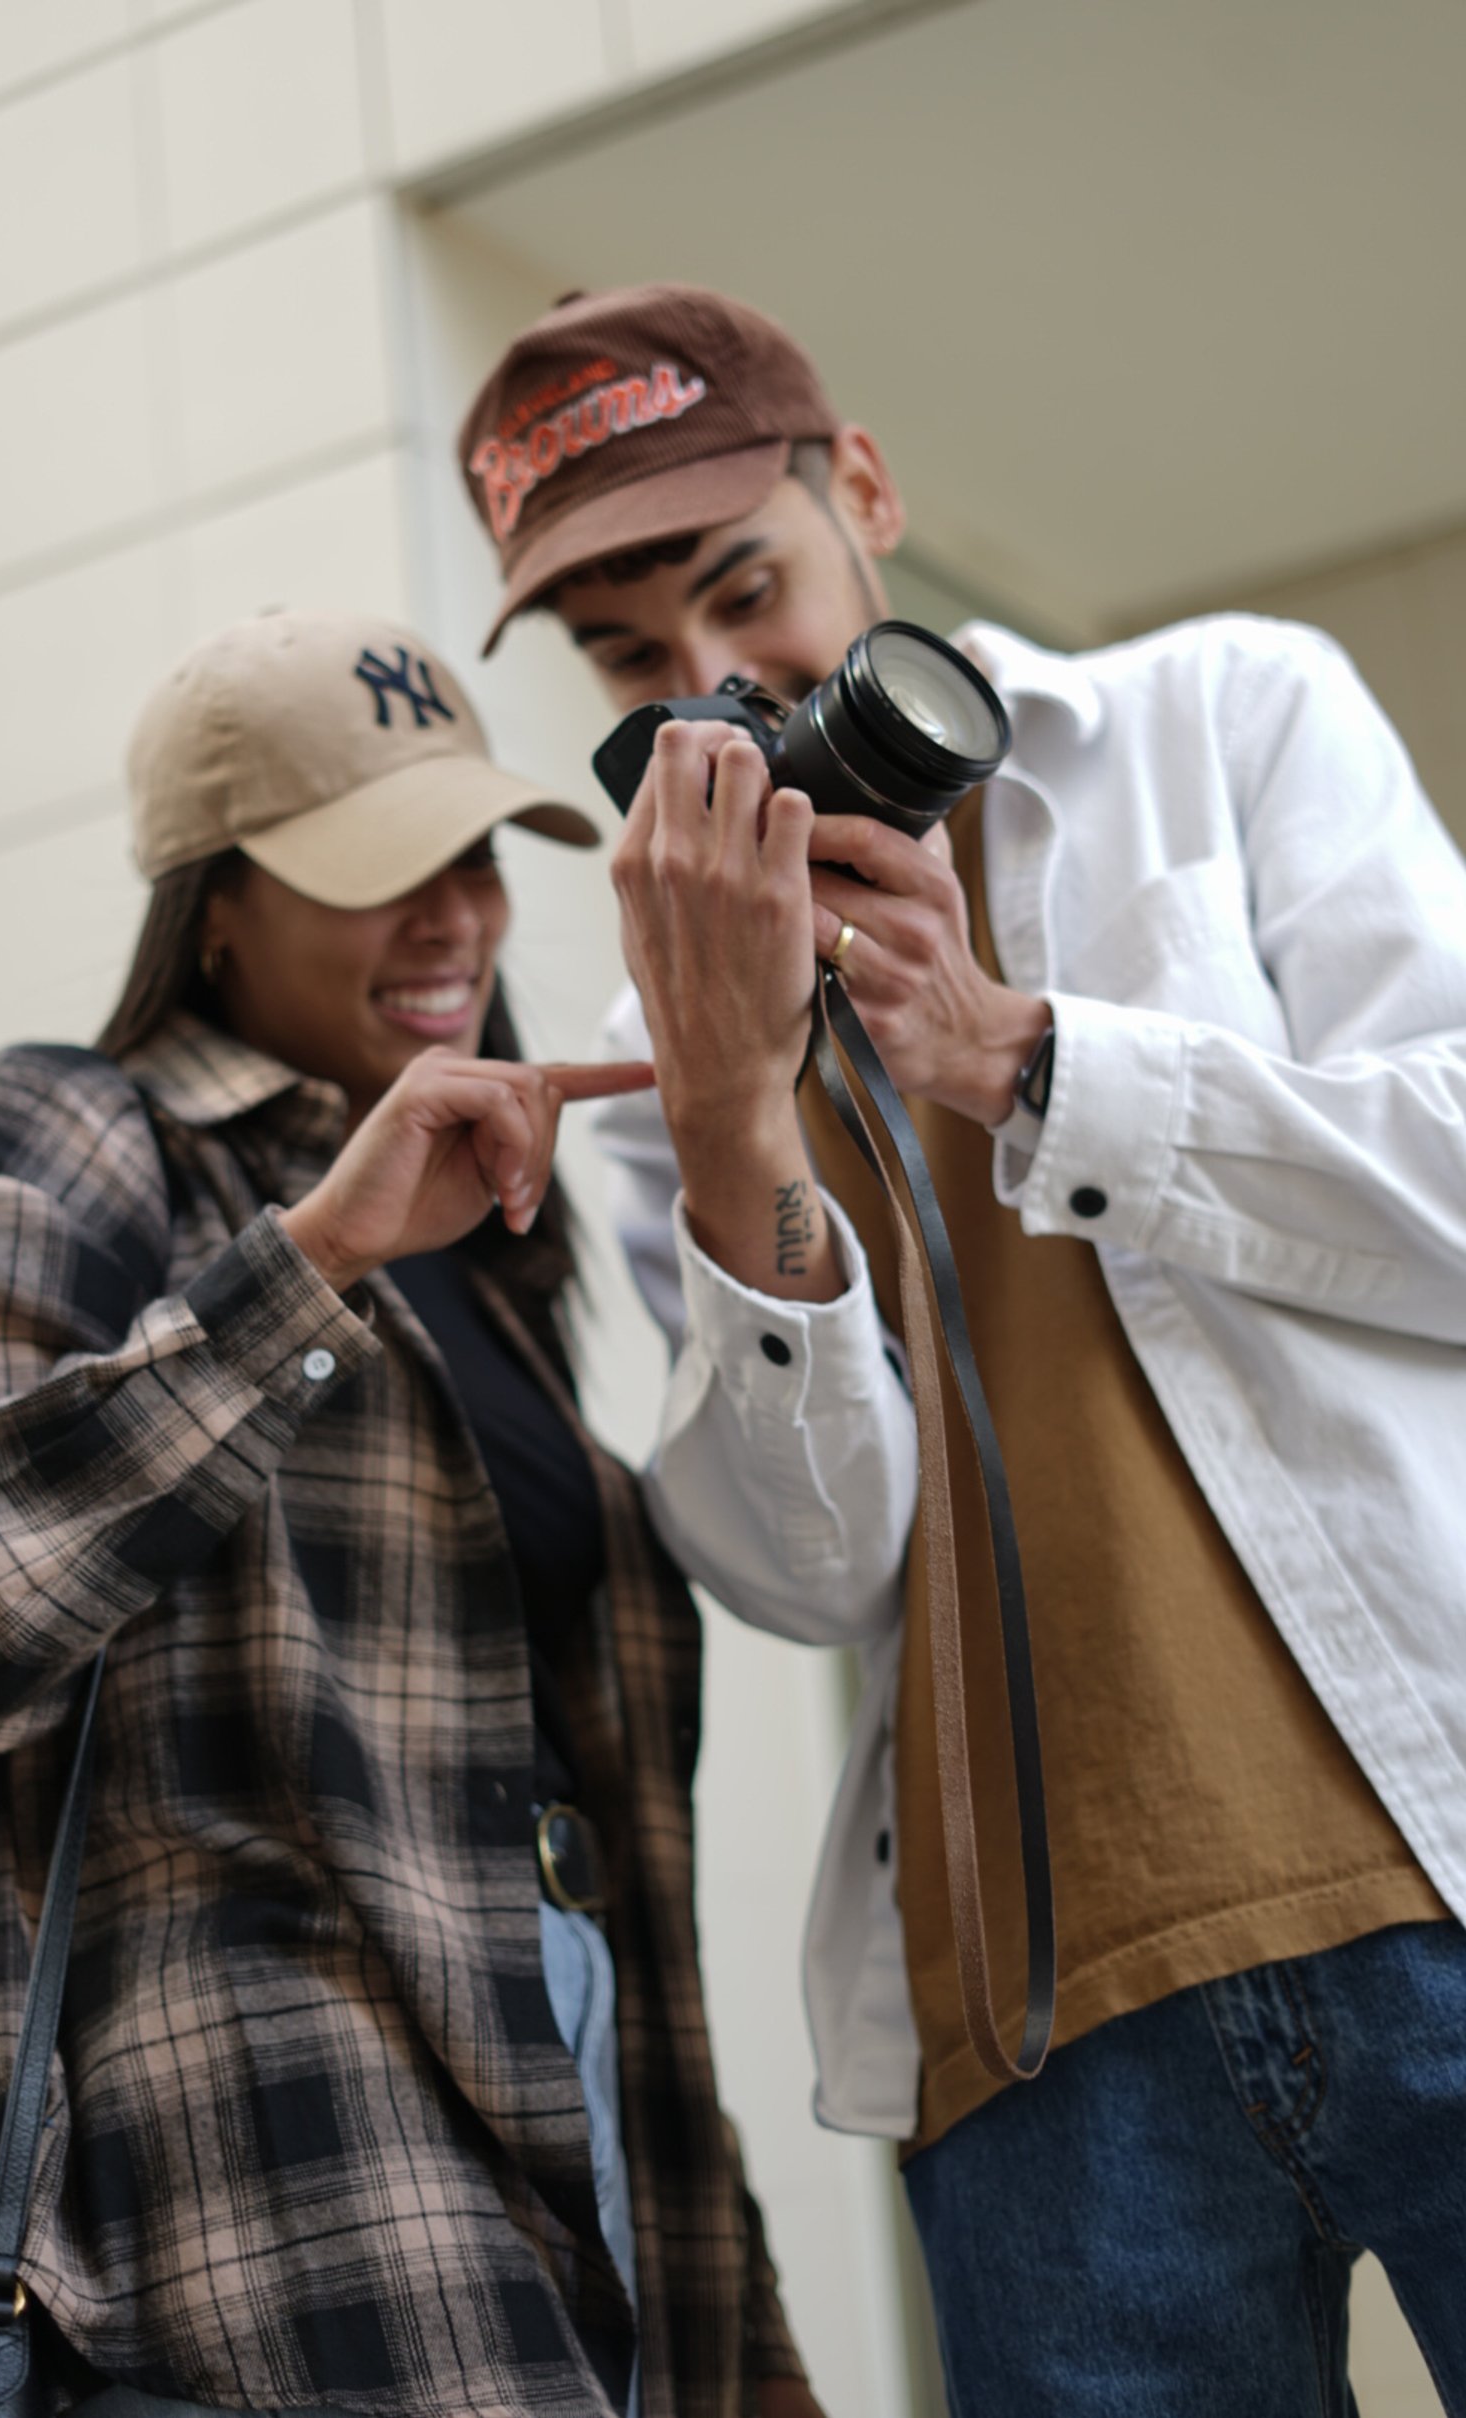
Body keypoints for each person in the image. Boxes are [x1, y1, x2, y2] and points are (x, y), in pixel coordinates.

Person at [458, 285, 1466, 2413]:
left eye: (746, 590)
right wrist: (734, 1124)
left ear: (874, 500)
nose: (715, 690)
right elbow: (811, 1572)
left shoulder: (1223, 719)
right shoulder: (673, 1058)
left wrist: (1023, 1059)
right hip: (1035, 2040)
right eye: (629, 664)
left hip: (1435, 1876)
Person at [0, 610, 913, 2416]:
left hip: (581, 2095)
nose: (454, 920)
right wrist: (317, 1257)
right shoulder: (78, 1126)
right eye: (376, 868)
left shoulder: (495, 1253)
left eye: (475, 855)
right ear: (216, 909)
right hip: (274, 2158)